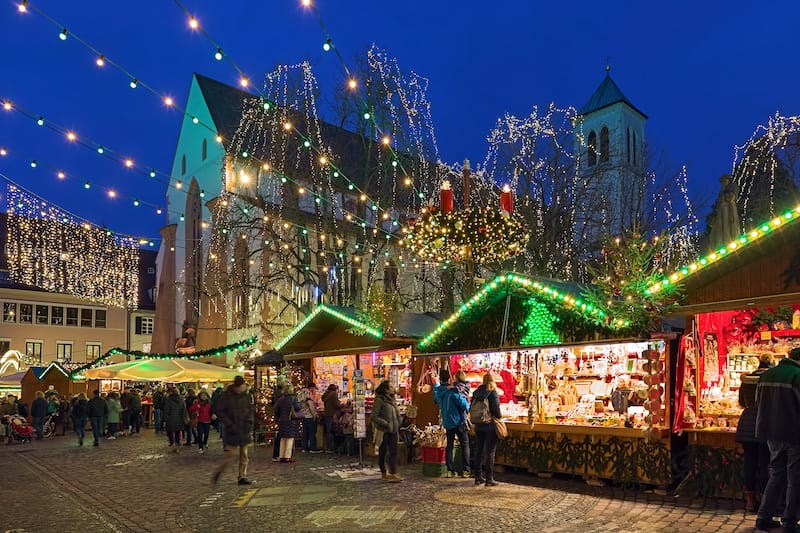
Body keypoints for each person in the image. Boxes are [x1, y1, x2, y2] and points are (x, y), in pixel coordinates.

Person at [754, 347, 800, 532]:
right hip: (794, 433)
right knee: (795, 478)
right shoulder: (797, 375)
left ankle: (764, 517)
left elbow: (758, 403)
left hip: (771, 434)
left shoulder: (767, 375)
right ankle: (789, 521)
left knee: (776, 476)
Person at [736, 353, 772, 512]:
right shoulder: (771, 379)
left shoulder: (747, 379)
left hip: (747, 422)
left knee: (749, 463)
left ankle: (750, 501)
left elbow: (741, 402)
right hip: (765, 423)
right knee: (765, 463)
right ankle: (764, 502)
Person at [212, 376, 255, 485]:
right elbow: (220, 411)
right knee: (230, 454)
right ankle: (219, 472)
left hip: (244, 428)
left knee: (244, 455)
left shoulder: (246, 396)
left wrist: (250, 422)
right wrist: (229, 423)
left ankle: (242, 476)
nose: (243, 387)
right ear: (237, 387)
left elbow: (250, 410)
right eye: (241, 386)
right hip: (233, 429)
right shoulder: (226, 397)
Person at [434, 369, 471, 478]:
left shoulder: (440, 392)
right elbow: (464, 405)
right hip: (458, 422)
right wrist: (468, 406)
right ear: (450, 379)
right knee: (465, 444)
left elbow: (436, 397)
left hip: (447, 422)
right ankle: (466, 470)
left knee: (449, 445)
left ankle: (450, 470)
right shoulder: (453, 392)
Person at [471, 373, 502, 487]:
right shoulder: (492, 392)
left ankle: (478, 476)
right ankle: (489, 478)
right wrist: (498, 416)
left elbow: (471, 407)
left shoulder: (476, 392)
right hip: (489, 425)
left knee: (479, 450)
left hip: (478, 424)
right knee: (490, 451)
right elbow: (496, 410)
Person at [371, 380, 403, 482]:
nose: (393, 389)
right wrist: (385, 423)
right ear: (386, 390)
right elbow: (374, 416)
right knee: (383, 452)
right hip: (384, 431)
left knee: (394, 451)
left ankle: (393, 472)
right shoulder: (379, 400)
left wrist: (399, 421)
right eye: (391, 387)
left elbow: (396, 413)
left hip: (393, 430)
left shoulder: (392, 400)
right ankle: (383, 472)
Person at [274, 383, 302, 463]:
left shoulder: (281, 399)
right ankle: (287, 456)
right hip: (290, 420)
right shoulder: (293, 398)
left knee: (283, 438)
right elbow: (297, 408)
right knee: (290, 438)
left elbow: (276, 409)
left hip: (282, 420)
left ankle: (281, 455)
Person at [297, 382, 320, 453]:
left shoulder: (300, 393)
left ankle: (304, 447)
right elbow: (310, 405)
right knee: (312, 432)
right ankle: (312, 448)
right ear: (312, 388)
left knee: (305, 432)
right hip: (309, 415)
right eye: (314, 389)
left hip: (303, 415)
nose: (314, 391)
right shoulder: (308, 393)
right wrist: (314, 414)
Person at [163, 387, 188, 451]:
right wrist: (185, 417)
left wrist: (165, 418)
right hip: (179, 418)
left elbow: (166, 409)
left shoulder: (169, 399)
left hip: (171, 418)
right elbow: (184, 409)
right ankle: (177, 443)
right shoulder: (181, 399)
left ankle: (172, 442)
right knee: (177, 431)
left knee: (169, 431)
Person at [322, 384, 340, 453]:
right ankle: (331, 447)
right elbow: (337, 405)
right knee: (332, 431)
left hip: (327, 414)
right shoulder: (334, 394)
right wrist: (341, 404)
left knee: (328, 431)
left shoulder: (325, 394)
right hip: (332, 414)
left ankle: (328, 447)